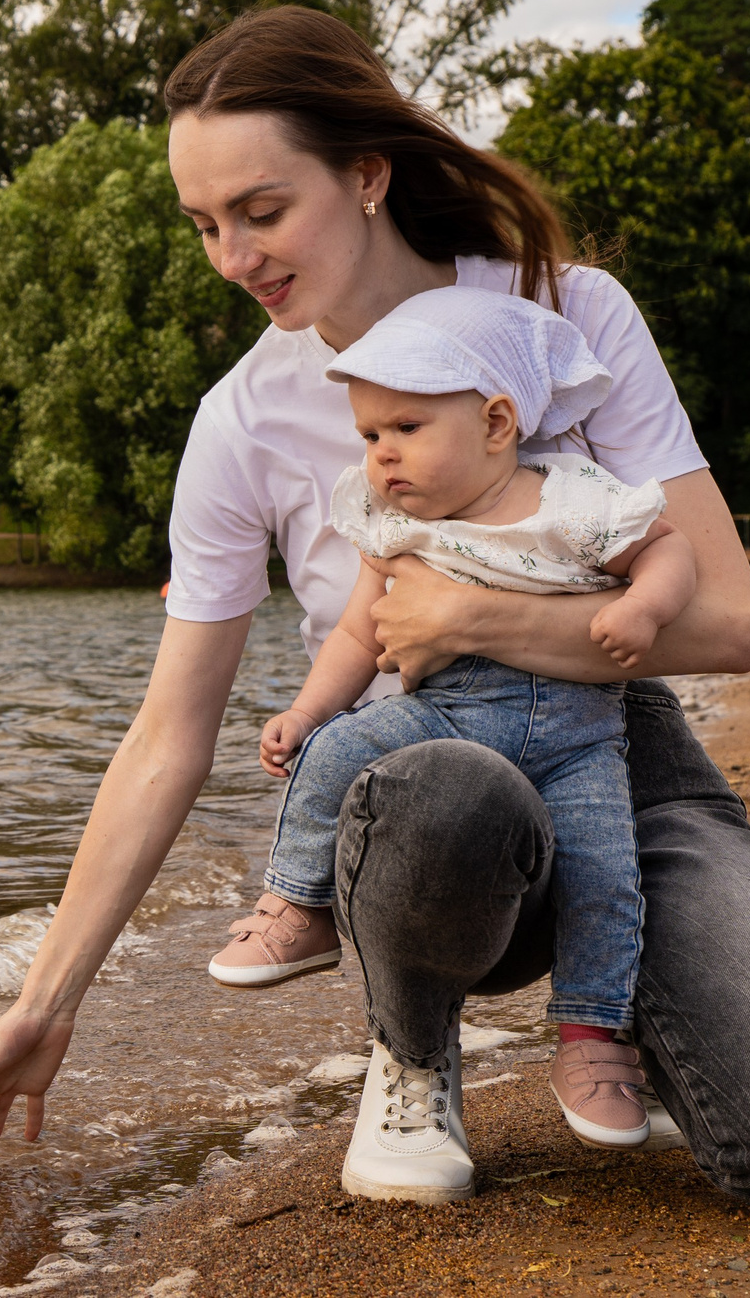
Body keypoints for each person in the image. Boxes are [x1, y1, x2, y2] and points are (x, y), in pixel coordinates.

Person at [0, 6, 750, 1211]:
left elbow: (725, 626)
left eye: (261, 211)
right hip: (420, 798)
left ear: (367, 177)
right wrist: (44, 1002)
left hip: (617, 754)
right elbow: (169, 734)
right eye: (204, 226)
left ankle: (626, 1015)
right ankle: (411, 1050)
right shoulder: (240, 423)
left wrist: (473, 620)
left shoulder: (571, 315)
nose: (233, 257)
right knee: (439, 782)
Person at [206, 286, 697, 1154]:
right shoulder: (395, 523)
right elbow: (362, 629)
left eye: (406, 429)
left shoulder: (571, 501)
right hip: (447, 715)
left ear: (498, 423)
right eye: (369, 435)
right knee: (341, 746)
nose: (382, 455)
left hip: (580, 741)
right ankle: (300, 902)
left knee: (607, 878)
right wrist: (306, 709)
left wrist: (646, 608)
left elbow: (669, 547)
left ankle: (590, 1038)